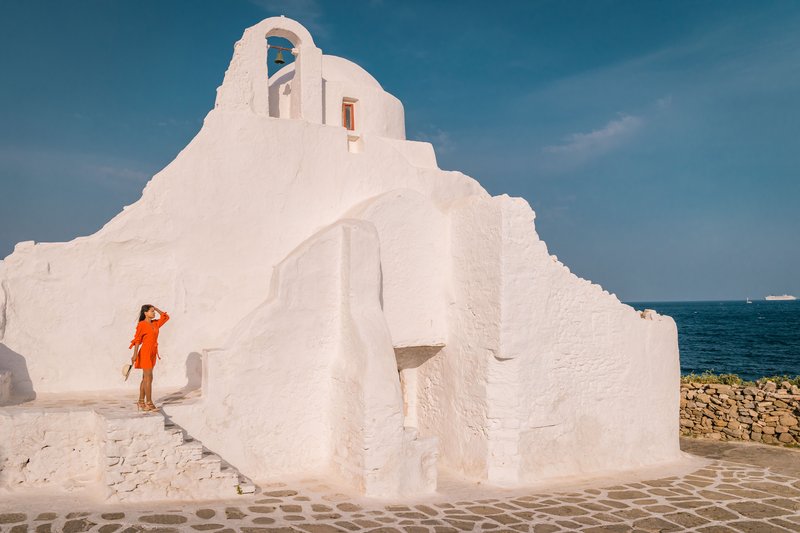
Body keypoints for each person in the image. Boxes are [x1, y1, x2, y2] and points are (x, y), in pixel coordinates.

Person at [130, 304, 170, 412]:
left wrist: (156, 307)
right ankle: (149, 403)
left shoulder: (155, 323)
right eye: (151, 311)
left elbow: (166, 317)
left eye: (154, 311)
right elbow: (137, 340)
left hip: (153, 352)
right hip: (145, 352)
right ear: (145, 313)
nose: (154, 313)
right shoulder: (142, 325)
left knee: (146, 378)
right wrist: (134, 355)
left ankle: (141, 401)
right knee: (148, 377)